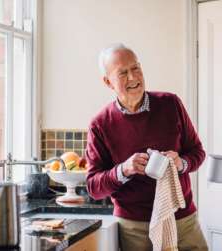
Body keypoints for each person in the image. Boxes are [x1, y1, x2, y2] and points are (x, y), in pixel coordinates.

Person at [85, 43, 208, 251]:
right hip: (134, 227)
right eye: (123, 73)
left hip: (182, 220)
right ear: (108, 82)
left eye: (136, 68)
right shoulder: (100, 124)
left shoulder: (171, 104)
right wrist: (124, 170)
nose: (133, 77)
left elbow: (197, 152)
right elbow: (93, 188)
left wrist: (181, 163)